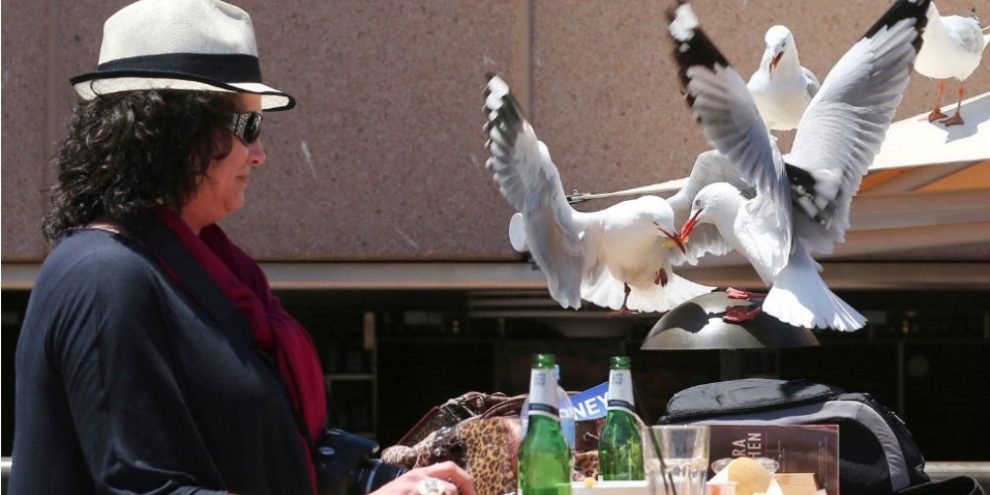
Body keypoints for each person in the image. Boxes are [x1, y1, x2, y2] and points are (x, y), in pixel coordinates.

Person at [9, 1, 474, 494]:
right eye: (247, 127)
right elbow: (145, 489)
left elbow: (265, 448)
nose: (260, 154)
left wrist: (385, 478)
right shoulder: (104, 276)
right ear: (169, 131)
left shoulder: (196, 272)